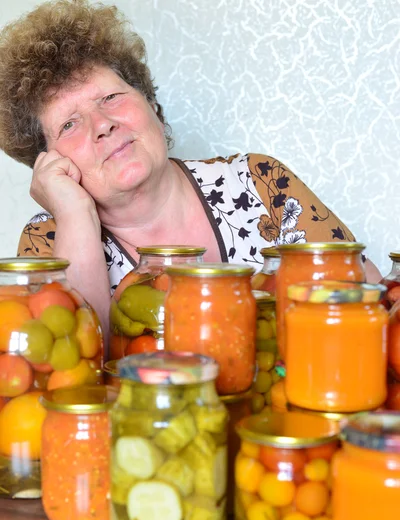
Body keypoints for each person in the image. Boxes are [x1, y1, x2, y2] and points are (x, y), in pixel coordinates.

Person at [0, 0, 381, 338]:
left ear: (151, 103)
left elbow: (373, 306)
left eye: (111, 97)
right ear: (48, 163)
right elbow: (75, 369)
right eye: (69, 124)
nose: (102, 124)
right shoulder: (47, 241)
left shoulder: (261, 182)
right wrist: (77, 216)